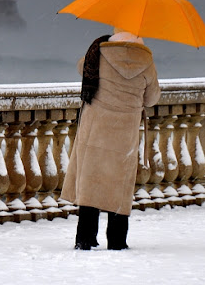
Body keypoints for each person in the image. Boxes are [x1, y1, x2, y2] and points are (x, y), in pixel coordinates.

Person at [60, 27, 161, 250]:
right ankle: (116, 240)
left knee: (91, 183)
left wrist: (100, 45)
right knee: (119, 186)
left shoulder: (99, 54)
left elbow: (81, 68)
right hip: (125, 134)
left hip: (96, 128)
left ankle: (85, 238)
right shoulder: (146, 60)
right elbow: (152, 98)